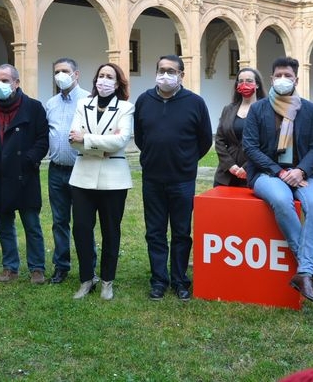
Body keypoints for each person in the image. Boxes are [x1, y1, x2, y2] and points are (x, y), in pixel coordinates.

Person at [243, 56, 313, 304]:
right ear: (271, 79)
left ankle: (302, 273)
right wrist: (279, 172)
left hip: (302, 173)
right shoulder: (258, 109)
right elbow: (250, 147)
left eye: (287, 76)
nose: (282, 80)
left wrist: (300, 171)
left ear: (296, 79)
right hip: (266, 173)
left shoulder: (308, 109)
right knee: (281, 199)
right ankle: (307, 268)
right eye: (278, 75)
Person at [134, 55, 212, 301]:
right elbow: (139, 137)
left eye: (171, 71)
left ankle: (179, 280)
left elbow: (205, 140)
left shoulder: (195, 103)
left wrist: (186, 160)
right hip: (152, 178)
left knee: (181, 232)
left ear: (181, 75)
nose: (165, 75)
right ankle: (158, 280)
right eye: (161, 70)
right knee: (155, 232)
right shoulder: (144, 101)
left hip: (182, 179)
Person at [68, 63, 134, 300]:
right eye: (100, 76)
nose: (103, 80)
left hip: (114, 180)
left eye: (109, 77)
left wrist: (87, 140)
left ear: (117, 84)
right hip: (82, 178)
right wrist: (100, 147)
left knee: (110, 231)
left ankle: (107, 280)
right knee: (82, 230)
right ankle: (87, 279)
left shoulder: (126, 108)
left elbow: (121, 140)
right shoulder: (82, 104)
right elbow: (72, 139)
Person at [0, 64, 49, 284]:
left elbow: (42, 139)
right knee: (4, 226)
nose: (0, 85)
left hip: (24, 175)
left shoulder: (33, 107)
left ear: (16, 83)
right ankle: (10, 267)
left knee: (32, 225)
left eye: (5, 80)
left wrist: (28, 159)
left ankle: (37, 268)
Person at [44, 57, 95, 284]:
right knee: (59, 221)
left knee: (84, 222)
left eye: (65, 71)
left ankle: (88, 266)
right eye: (57, 71)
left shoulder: (89, 100)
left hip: (81, 169)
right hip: (56, 171)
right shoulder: (51, 103)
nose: (60, 75)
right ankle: (61, 266)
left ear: (76, 74)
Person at [213, 67, 267, 187]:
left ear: (257, 84)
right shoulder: (228, 109)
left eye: (249, 81)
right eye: (240, 81)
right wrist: (229, 165)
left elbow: (268, 144)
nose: (244, 84)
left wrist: (248, 167)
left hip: (253, 173)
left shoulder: (266, 110)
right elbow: (219, 140)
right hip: (226, 174)